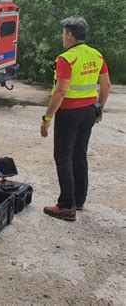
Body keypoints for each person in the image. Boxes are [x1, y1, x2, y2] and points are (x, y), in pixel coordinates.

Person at [41, 17, 111, 221]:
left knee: (63, 157)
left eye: (63, 33)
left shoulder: (66, 58)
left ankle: (66, 206)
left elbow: (60, 91)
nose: (62, 37)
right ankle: (79, 200)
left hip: (69, 113)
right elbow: (106, 85)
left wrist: (47, 118)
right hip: (89, 111)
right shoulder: (96, 55)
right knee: (79, 154)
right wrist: (99, 108)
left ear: (70, 34)